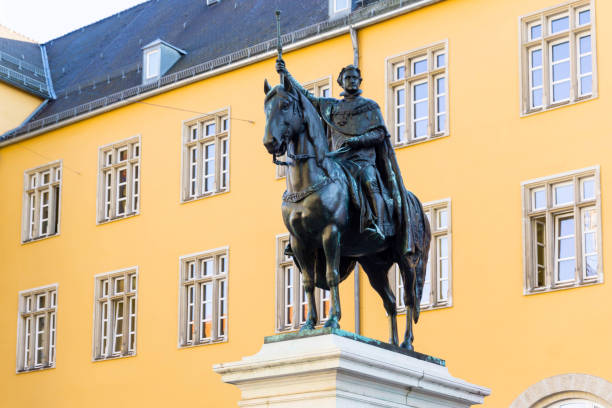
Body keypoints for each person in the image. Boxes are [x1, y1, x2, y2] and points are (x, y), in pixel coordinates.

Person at [276, 59, 392, 242]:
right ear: (341, 82)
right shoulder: (332, 107)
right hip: (337, 160)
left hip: (361, 160)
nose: (352, 80)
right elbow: (306, 95)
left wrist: (358, 141)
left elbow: (379, 133)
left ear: (360, 81)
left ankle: (377, 224)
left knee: (370, 182)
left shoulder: (370, 107)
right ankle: (302, 234)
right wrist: (286, 74)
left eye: (355, 77)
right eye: (348, 78)